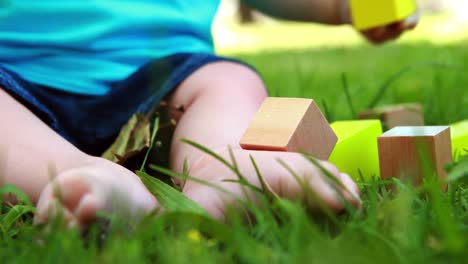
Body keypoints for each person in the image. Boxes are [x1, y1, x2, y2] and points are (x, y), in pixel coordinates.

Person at [0, 0, 416, 228]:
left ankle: (219, 165)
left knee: (229, 80)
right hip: (16, 78)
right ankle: (80, 179)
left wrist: (344, 6)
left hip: (168, 77)